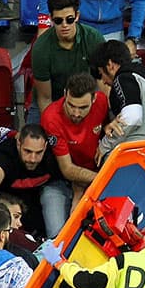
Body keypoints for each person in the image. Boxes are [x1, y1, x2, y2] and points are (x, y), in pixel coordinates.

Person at [0, 124, 66, 239]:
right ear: (18, 144)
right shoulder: (6, 153)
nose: (32, 159)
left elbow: (71, 173)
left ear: (45, 147)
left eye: (38, 152)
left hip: (41, 205)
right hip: (11, 207)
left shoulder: (53, 154)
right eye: (27, 151)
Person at [32, 0, 106, 113]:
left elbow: (104, 83)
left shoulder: (93, 38)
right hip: (52, 102)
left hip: (85, 102)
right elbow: (45, 98)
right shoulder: (41, 48)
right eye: (58, 21)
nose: (65, 25)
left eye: (69, 19)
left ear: (77, 16)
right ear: (51, 19)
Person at [40, 71, 108, 207]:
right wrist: (104, 179)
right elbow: (67, 169)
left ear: (94, 99)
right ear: (65, 94)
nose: (76, 113)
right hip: (62, 180)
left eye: (83, 107)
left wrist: (109, 125)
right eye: (71, 105)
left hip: (97, 171)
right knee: (57, 229)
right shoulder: (51, 118)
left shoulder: (102, 101)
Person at [91, 40, 145, 158]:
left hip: (135, 152)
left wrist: (104, 145)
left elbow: (132, 117)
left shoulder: (123, 78)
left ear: (110, 65)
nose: (103, 81)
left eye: (101, 74)